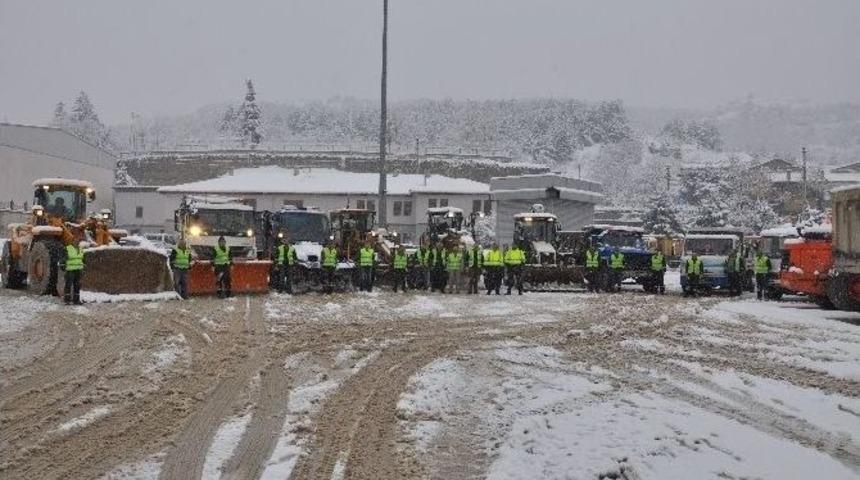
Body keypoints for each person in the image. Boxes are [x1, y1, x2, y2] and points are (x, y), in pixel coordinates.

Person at [61, 233, 85, 305]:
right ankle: (67, 300)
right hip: (70, 270)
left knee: (77, 285)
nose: (77, 242)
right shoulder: (68, 249)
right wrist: (63, 267)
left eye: (78, 241)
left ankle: (76, 300)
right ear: (72, 241)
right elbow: (63, 259)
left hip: (78, 270)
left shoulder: (80, 249)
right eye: (75, 240)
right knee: (68, 285)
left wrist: (83, 267)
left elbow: (82, 259)